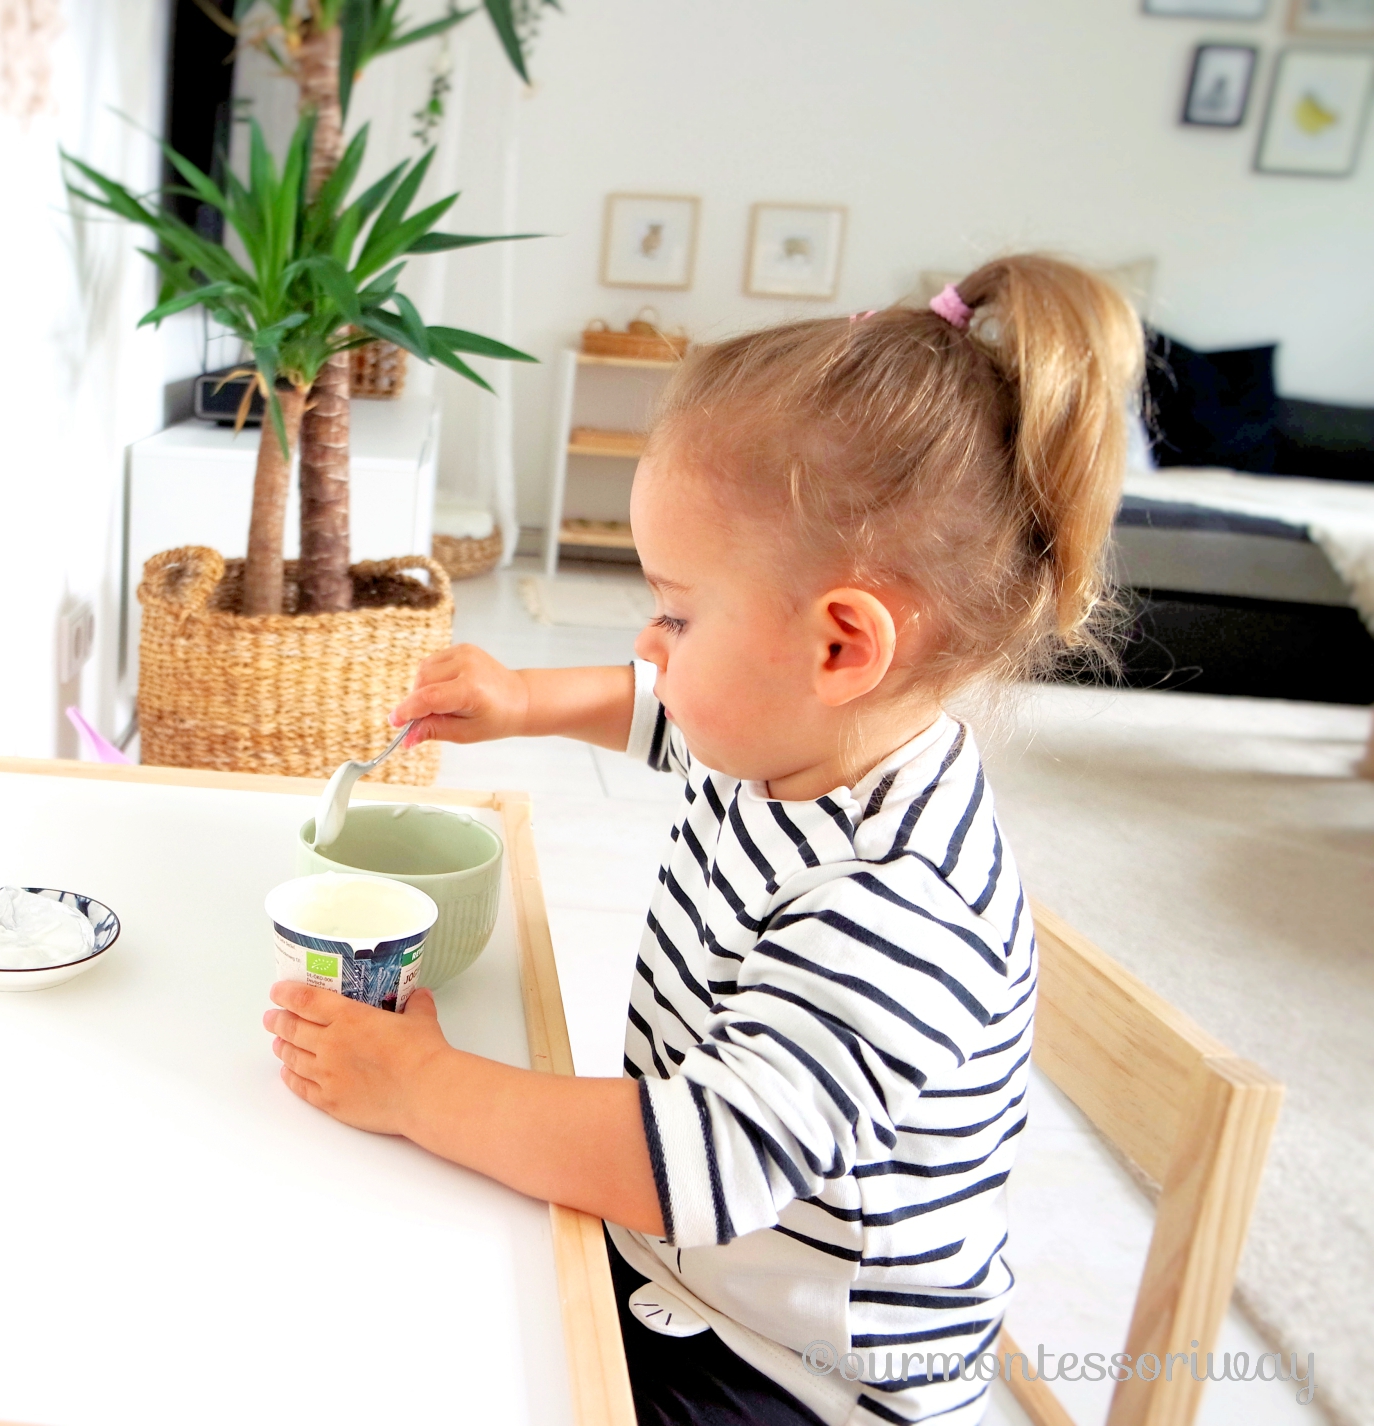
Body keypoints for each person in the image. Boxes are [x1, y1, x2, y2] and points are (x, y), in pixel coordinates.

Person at [261, 255, 1145, 1426]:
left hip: (800, 1375)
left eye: (677, 611)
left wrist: (424, 1089)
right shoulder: (792, 741)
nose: (651, 639)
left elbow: (698, 1160)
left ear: (840, 647)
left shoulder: (893, 904)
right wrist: (522, 697)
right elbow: (662, 711)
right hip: (689, 1276)